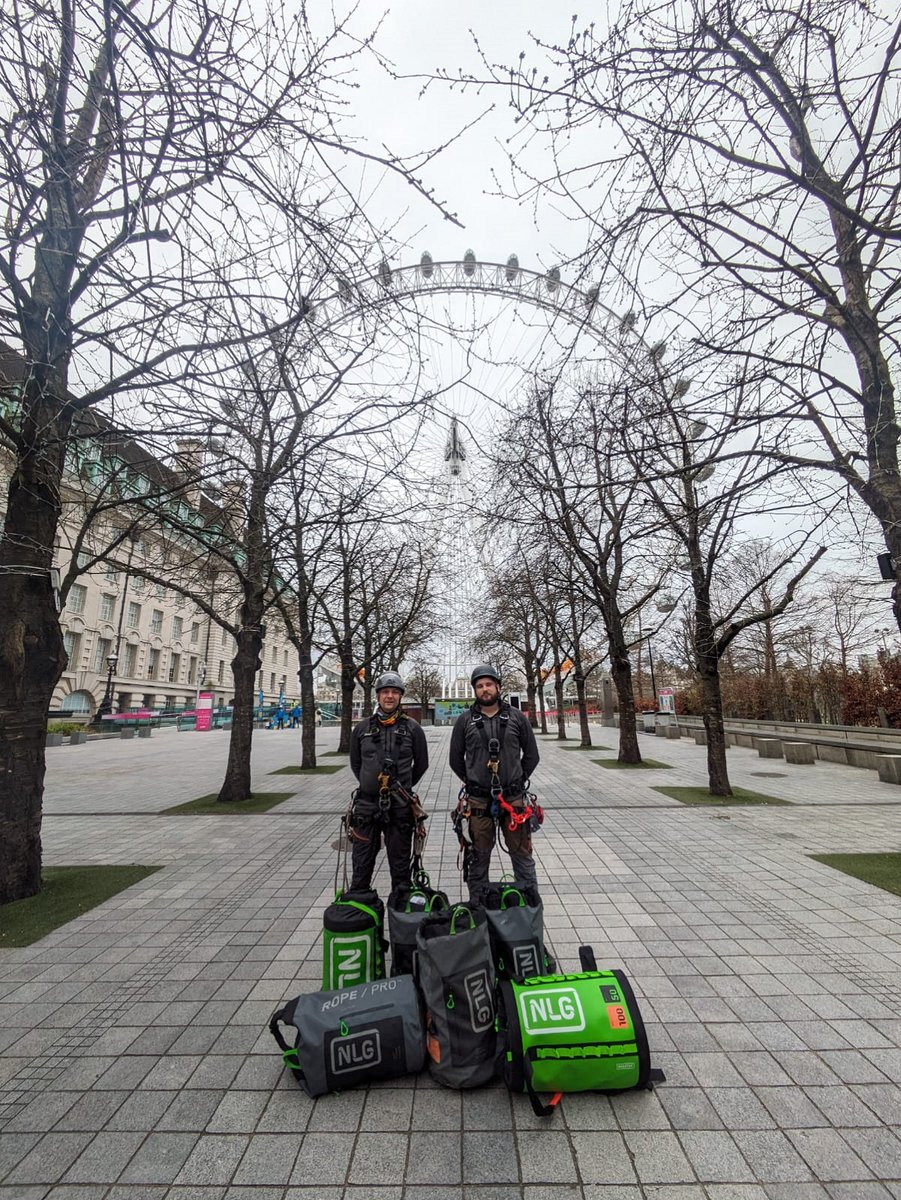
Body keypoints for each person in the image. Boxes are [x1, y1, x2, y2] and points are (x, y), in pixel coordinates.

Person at [449, 664, 540, 904]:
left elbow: (532, 755)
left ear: (498, 686)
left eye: (489, 684)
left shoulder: (517, 718)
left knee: (522, 856)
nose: (485, 689)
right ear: (475, 691)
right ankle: (478, 912)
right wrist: (473, 781)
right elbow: (455, 759)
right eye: (480, 686)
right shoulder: (464, 721)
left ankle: (529, 907)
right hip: (478, 800)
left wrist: (516, 781)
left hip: (513, 800)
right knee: (478, 858)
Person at [348, 672, 429, 892]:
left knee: (401, 871)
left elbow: (422, 764)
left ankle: (400, 917)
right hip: (366, 806)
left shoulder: (413, 728)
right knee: (361, 867)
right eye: (385, 692)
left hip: (400, 807)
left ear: (401, 696)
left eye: (395, 692)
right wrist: (369, 784)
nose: (390, 696)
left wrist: (402, 787)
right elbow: (356, 763)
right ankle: (361, 914)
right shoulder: (362, 729)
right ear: (378, 696)